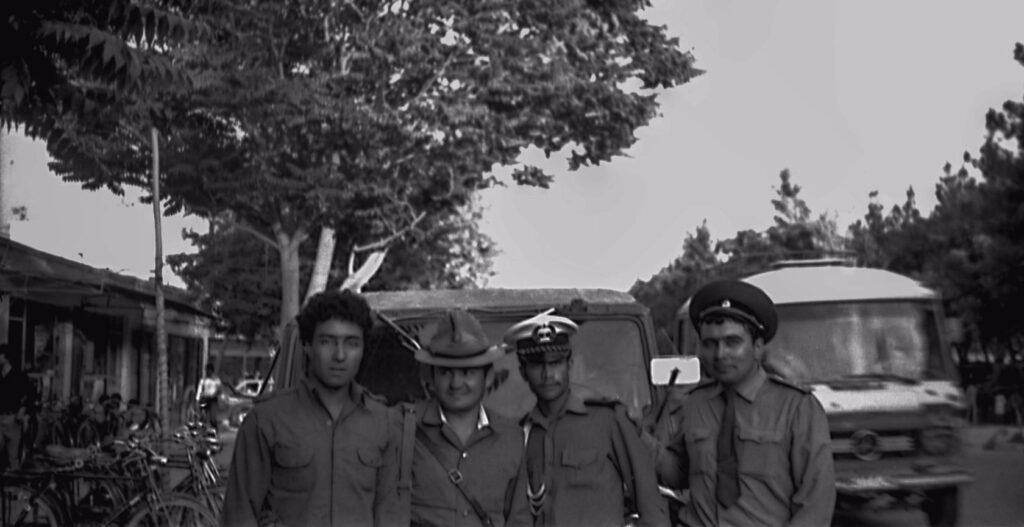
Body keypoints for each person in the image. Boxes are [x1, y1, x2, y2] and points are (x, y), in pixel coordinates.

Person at [658, 280, 835, 527]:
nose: (720, 355)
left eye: (732, 342)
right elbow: (678, 474)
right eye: (710, 344)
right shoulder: (694, 403)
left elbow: (815, 503)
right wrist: (636, 434)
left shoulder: (796, 408)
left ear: (758, 346)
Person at [222, 289, 401, 527]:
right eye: (327, 341)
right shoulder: (266, 420)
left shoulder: (384, 422)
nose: (339, 355)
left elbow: (388, 513)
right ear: (307, 346)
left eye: (352, 343)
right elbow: (240, 514)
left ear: (363, 349)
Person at [504, 312, 668, 527]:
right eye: (537, 365)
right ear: (523, 372)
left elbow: (651, 507)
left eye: (556, 363)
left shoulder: (608, 420)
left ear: (569, 364)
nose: (548, 374)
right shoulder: (520, 436)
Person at [403, 308, 531, 527]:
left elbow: (519, 519)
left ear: (488, 377)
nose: (456, 383)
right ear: (431, 378)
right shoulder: (404, 427)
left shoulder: (511, 437)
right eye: (445, 372)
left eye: (468, 372)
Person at [0, 343, 34, 471]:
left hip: (12, 419)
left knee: (13, 456)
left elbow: (30, 396)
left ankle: (14, 486)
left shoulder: (18, 376)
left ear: (4, 357)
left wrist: (23, 411)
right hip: (0, 418)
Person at [195, 363, 222, 428]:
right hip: (205, 399)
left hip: (213, 400)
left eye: (209, 370)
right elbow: (199, 390)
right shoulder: (203, 380)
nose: (207, 372)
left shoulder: (216, 380)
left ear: (212, 371)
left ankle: (215, 431)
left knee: (213, 418)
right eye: (207, 370)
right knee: (202, 417)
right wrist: (197, 399)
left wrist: (216, 394)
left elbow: (219, 390)